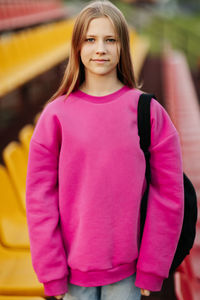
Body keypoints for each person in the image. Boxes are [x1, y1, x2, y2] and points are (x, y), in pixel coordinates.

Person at [25, 0, 184, 299]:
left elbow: (169, 194)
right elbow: (39, 198)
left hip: (129, 272)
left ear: (123, 46)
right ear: (77, 47)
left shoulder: (148, 112)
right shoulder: (55, 115)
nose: (100, 49)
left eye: (110, 40)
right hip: (73, 274)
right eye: (90, 39)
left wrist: (152, 267)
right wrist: (51, 272)